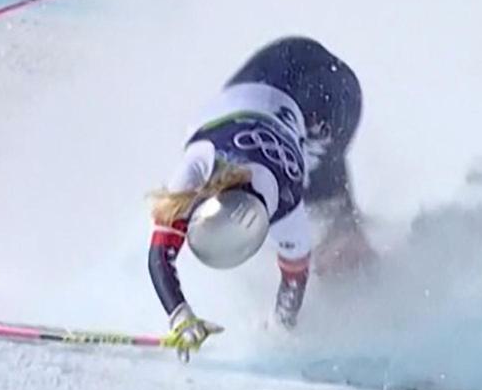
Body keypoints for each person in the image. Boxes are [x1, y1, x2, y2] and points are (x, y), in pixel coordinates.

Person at [148, 35, 374, 361]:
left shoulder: (287, 209)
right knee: (317, 197)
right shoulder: (198, 165)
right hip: (280, 71)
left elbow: (295, 280)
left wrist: (278, 331)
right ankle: (348, 225)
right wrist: (180, 315)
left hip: (329, 94)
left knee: (330, 222)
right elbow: (160, 258)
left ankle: (355, 245)